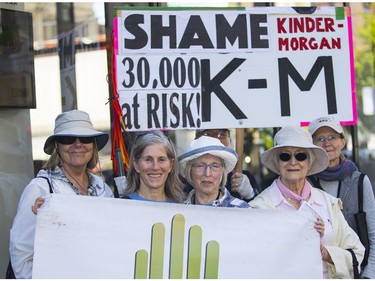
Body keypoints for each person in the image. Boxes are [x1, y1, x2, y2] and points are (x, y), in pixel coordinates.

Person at [9, 109, 114, 279]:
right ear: (57, 146)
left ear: (93, 145)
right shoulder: (41, 188)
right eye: (68, 139)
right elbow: (21, 251)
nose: (77, 144)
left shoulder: (102, 188)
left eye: (85, 138)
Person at [249, 126, 364, 279]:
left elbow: (357, 254)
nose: (293, 162)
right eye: (285, 156)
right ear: (277, 164)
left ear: (310, 163)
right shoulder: (258, 208)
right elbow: (252, 262)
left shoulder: (328, 202)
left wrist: (327, 254)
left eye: (301, 156)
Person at [308, 116, 375, 278]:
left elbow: (373, 234)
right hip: (319, 273)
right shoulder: (305, 183)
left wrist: (369, 275)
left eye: (332, 137)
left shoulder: (359, 182)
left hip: (357, 270)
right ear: (311, 146)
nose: (327, 143)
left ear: (342, 142)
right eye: (320, 139)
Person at [179, 136, 249, 208]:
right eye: (200, 166)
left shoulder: (241, 210)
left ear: (222, 171)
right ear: (190, 170)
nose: (207, 174)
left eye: (215, 166)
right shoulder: (178, 209)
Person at [193, 128, 260, 201]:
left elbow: (261, 209)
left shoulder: (244, 178)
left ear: (230, 141)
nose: (216, 140)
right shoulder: (185, 184)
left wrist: (250, 195)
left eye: (222, 134)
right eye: (208, 134)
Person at [122, 131, 185, 203]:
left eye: (161, 160)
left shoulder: (181, 208)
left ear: (171, 165)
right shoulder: (122, 206)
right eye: (148, 160)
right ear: (136, 165)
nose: (155, 167)